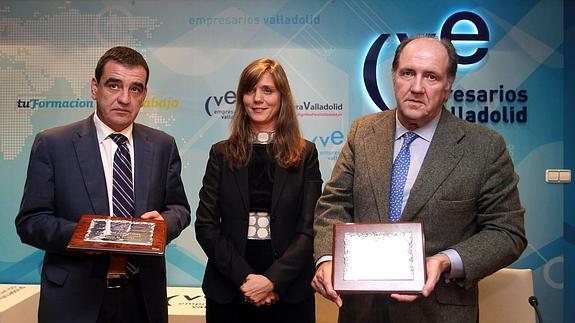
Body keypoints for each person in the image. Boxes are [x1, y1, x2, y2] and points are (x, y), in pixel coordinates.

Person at [312, 36, 527, 322]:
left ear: (448, 86)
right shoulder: (363, 132)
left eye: (431, 77)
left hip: (438, 312)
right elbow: (333, 205)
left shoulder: (484, 147)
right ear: (394, 77)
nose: (416, 88)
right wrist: (328, 258)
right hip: (362, 311)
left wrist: (445, 260)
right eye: (407, 73)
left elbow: (507, 232)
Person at [15, 46, 191, 323]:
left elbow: (179, 208)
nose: (124, 98)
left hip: (142, 297)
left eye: (135, 89)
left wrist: (164, 224)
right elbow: (30, 222)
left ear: (144, 95)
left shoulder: (161, 145)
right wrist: (85, 235)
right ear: (95, 87)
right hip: (75, 301)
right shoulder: (53, 144)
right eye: (114, 85)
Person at [195, 58, 322, 323]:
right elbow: (206, 226)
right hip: (230, 287)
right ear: (241, 97)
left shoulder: (306, 153)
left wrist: (272, 280)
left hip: (289, 290)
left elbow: (309, 229)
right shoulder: (220, 153)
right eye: (250, 90)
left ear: (282, 97)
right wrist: (247, 279)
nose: (257, 99)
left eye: (267, 90)